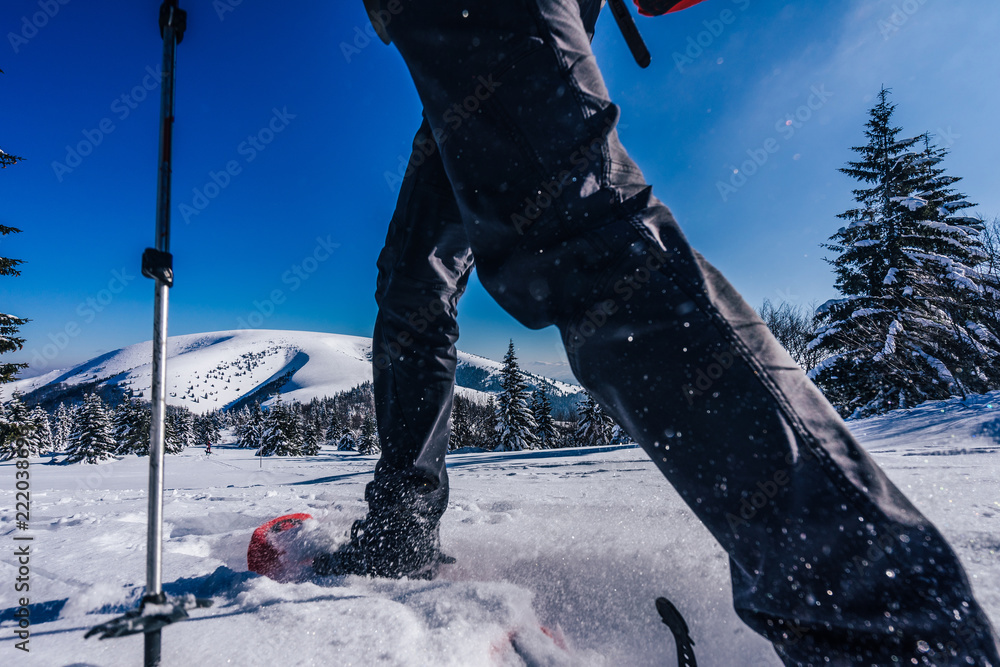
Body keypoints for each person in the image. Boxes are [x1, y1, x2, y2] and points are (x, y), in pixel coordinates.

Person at [314, 1, 1000, 664]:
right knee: (414, 286)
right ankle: (401, 527)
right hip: (432, 43)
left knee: (581, 244)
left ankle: (887, 631)